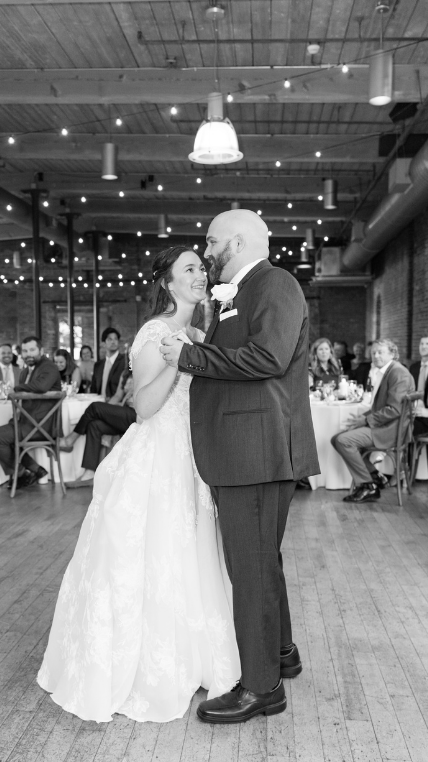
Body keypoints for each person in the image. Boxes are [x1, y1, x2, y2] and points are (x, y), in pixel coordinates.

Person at [37, 245, 239, 723]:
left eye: (201, 267)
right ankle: (145, 666)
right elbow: (145, 408)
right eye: (189, 268)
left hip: (189, 457)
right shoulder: (156, 332)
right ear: (167, 283)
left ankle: (191, 656)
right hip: (156, 460)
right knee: (148, 556)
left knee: (187, 555)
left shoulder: (195, 330)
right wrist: (178, 359)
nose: (199, 273)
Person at [159, 208, 319, 725]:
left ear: (240, 241)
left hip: (255, 450)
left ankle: (260, 688)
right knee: (261, 559)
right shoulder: (247, 290)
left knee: (249, 568)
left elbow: (268, 359)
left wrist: (192, 357)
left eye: (211, 242)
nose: (206, 252)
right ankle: (281, 653)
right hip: (248, 447)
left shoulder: (275, 283)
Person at [331, 337, 414, 502]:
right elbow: (383, 405)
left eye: (380, 352)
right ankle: (376, 476)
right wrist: (364, 416)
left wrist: (366, 421)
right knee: (337, 439)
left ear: (392, 353)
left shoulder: (398, 372)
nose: (375, 356)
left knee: (343, 441)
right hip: (387, 426)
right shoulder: (388, 370)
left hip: (392, 430)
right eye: (373, 352)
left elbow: (394, 409)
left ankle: (368, 486)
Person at [0, 335, 62, 490]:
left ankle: (22, 473)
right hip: (28, 422)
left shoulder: (49, 367)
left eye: (32, 350)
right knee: (7, 434)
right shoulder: (25, 372)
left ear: (41, 350)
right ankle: (36, 469)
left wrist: (16, 389)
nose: (28, 354)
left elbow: (41, 387)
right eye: (25, 351)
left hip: (41, 426)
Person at [61, 373, 137, 483]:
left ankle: (71, 439)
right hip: (125, 409)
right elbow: (117, 396)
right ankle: (90, 471)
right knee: (95, 425)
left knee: (94, 407)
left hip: (136, 413)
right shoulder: (126, 372)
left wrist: (104, 410)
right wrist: (107, 411)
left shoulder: (146, 367)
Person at [411, 335, 428, 477]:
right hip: (418, 411)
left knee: (407, 426)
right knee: (405, 421)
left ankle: (407, 469)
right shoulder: (415, 367)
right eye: (421, 343)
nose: (423, 346)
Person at [90, 328, 128, 397]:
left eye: (116, 339)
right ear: (103, 343)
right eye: (110, 339)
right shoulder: (98, 365)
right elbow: (93, 390)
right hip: (99, 404)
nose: (113, 342)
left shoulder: (125, 362)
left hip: (116, 404)